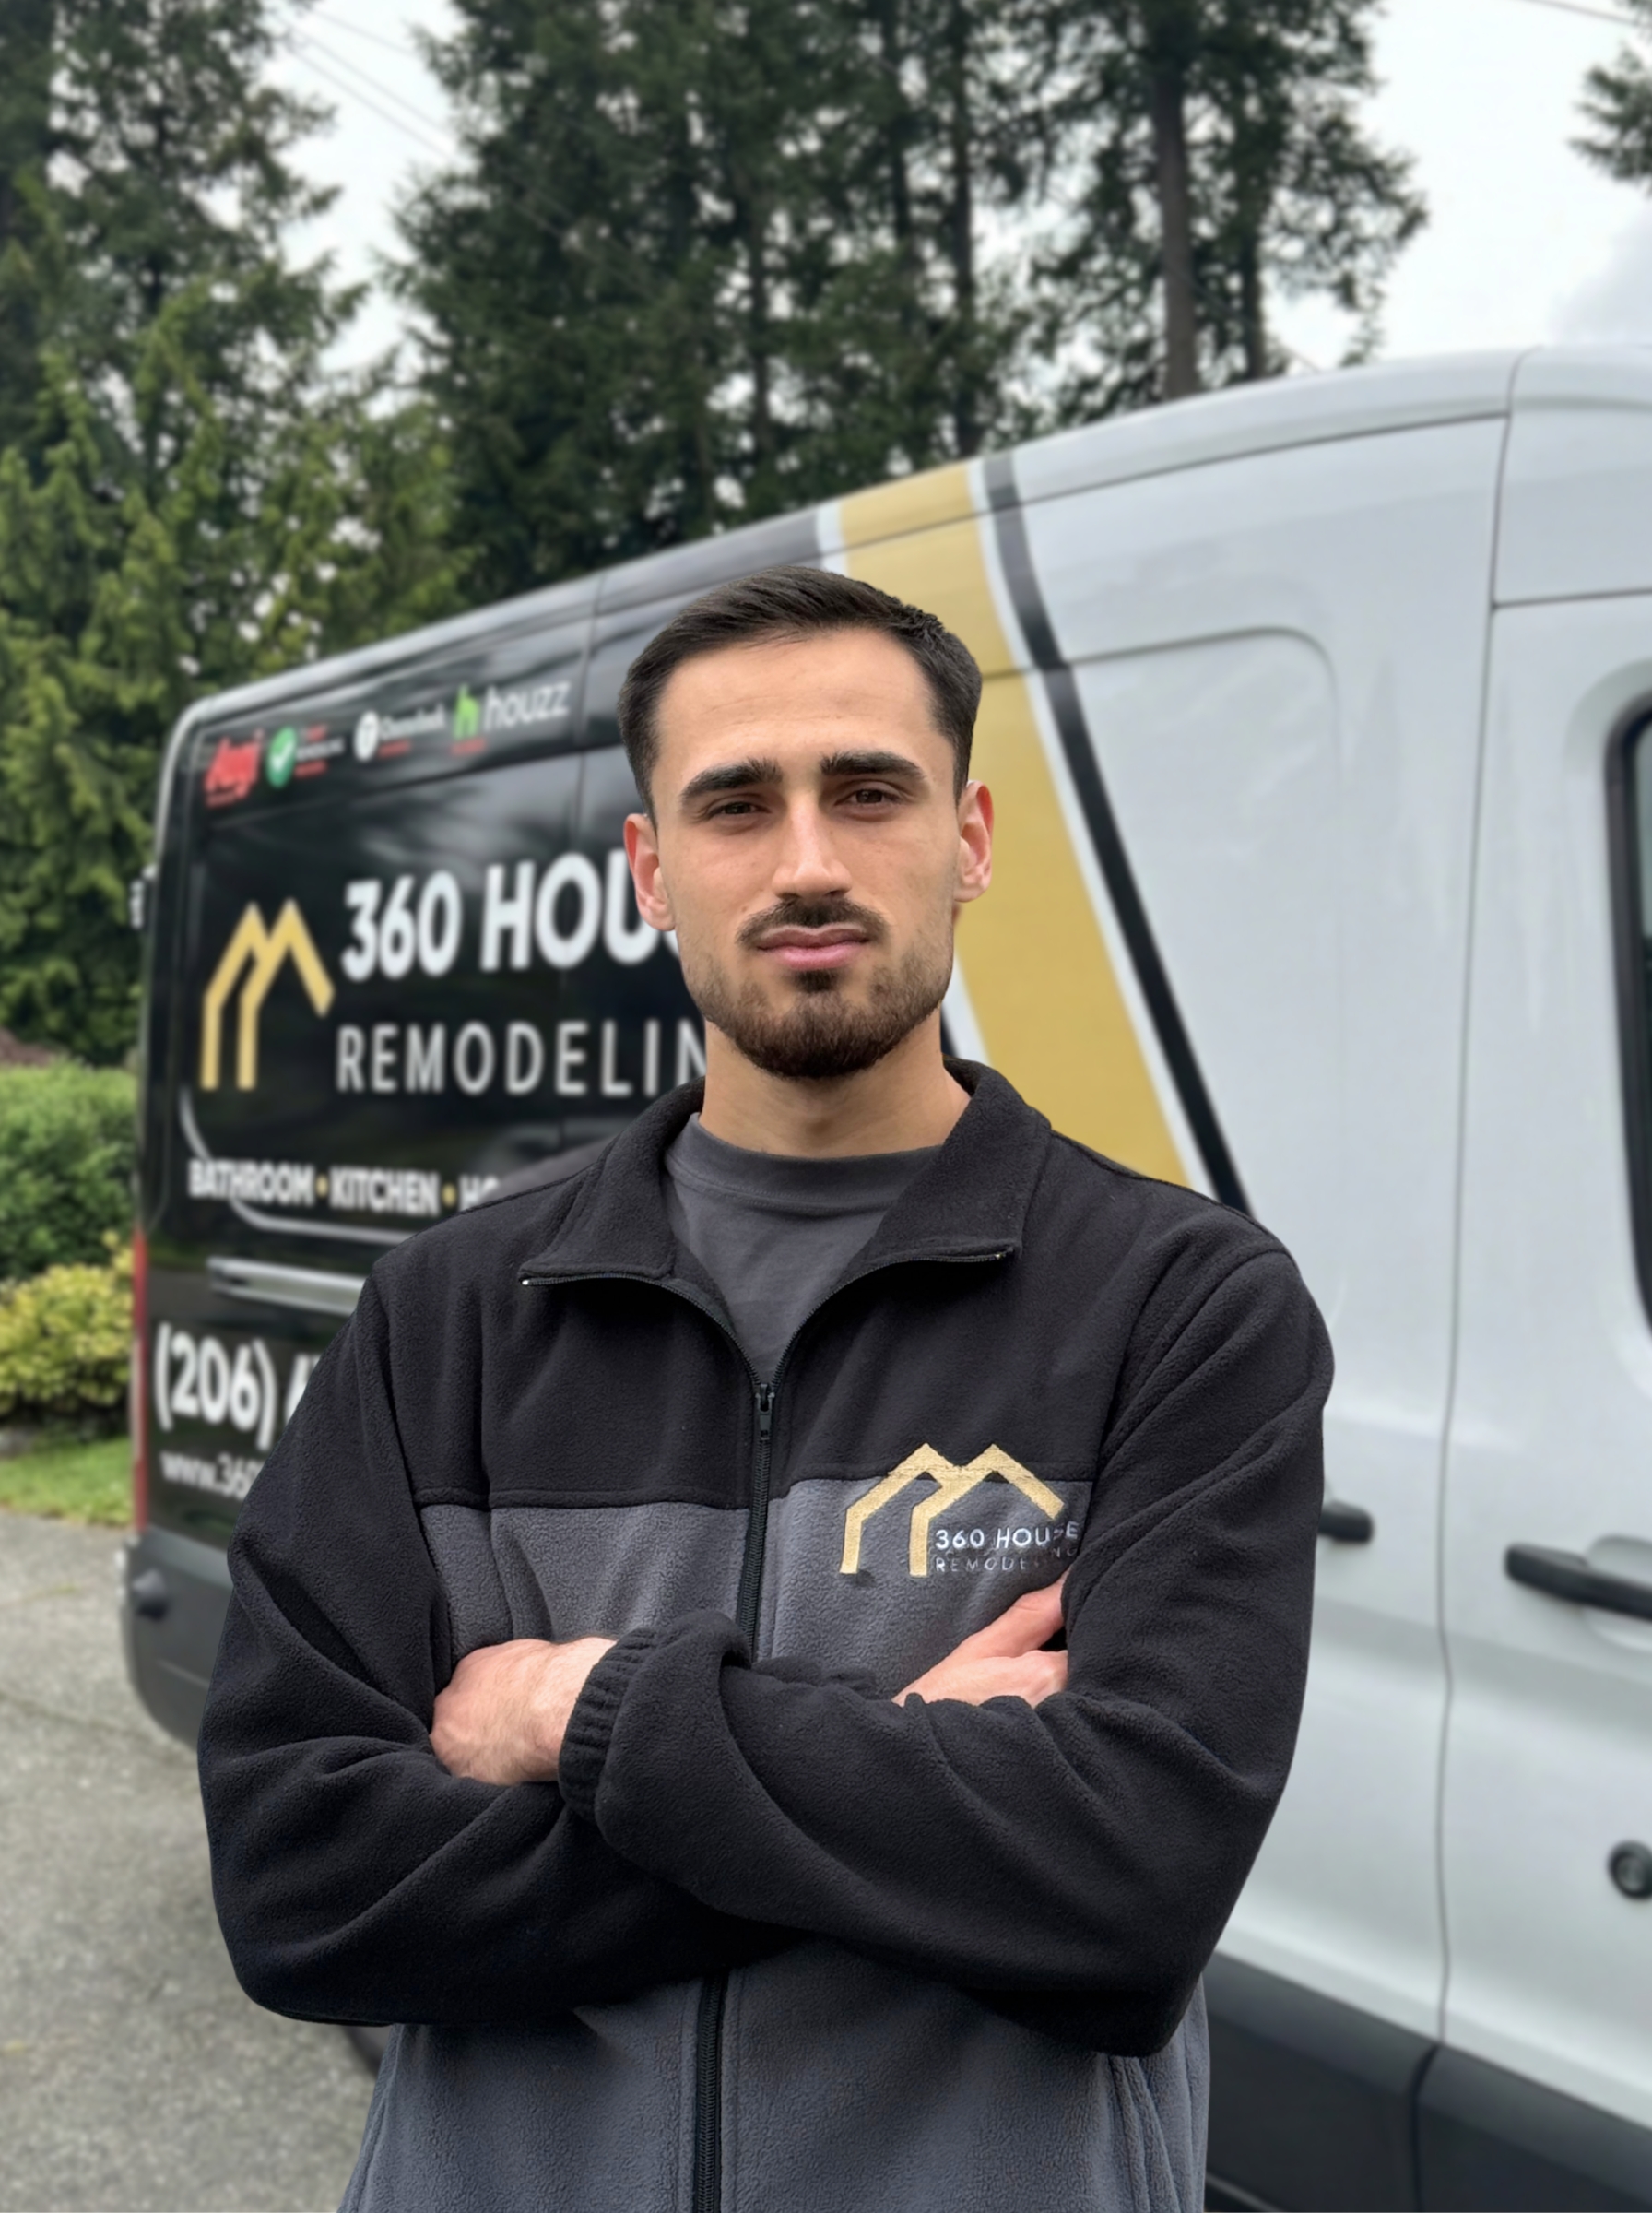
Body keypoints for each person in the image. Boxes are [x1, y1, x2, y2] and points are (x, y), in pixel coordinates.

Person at [199, 565, 1332, 2213]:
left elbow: (1128, 1890)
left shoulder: (1183, 1307)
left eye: (869, 790)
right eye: (736, 803)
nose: (808, 861)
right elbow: (303, 1890)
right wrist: (896, 1773)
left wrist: (574, 1712)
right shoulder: (444, 1316)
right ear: (653, 867)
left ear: (972, 838)